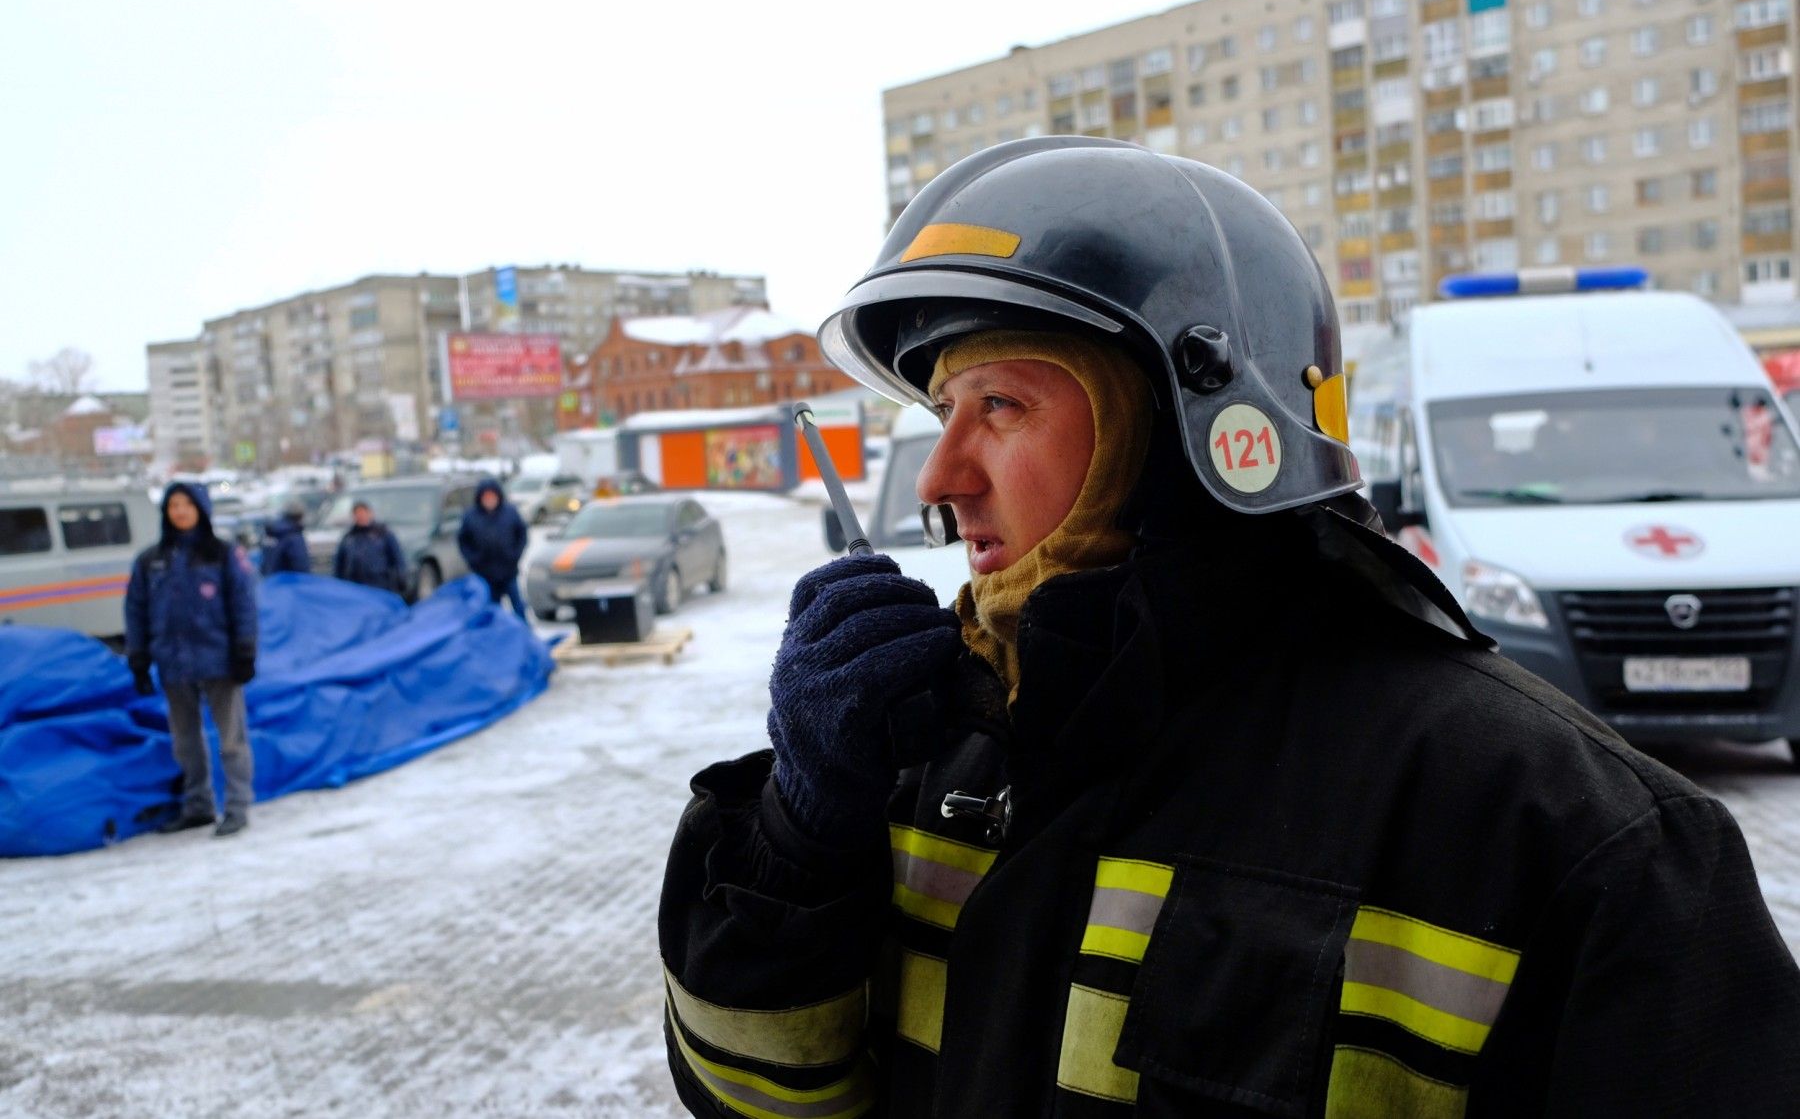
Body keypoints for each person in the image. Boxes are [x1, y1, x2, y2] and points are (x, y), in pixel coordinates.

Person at [658, 137, 1800, 1116]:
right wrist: (798, 847)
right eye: (943, 412)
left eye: (1000, 405)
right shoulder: (921, 749)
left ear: (1193, 428)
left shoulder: (1560, 832)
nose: (943, 475)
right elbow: (752, 1094)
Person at [125, 482, 258, 838]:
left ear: (201, 509)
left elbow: (243, 603)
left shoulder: (222, 554)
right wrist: (138, 656)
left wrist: (245, 650)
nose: (180, 511)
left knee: (231, 738)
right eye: (173, 506)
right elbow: (137, 609)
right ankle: (197, 806)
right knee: (185, 740)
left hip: (219, 659)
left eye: (187, 505)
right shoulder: (152, 560)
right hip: (174, 663)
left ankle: (237, 806)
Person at [457, 477, 529, 616]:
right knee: (492, 609)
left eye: (492, 496)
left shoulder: (510, 512)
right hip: (485, 573)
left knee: (518, 606)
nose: (489, 500)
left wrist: (515, 554)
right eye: (486, 497)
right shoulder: (471, 516)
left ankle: (525, 634)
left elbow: (522, 534)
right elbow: (462, 540)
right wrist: (473, 559)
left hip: (508, 570)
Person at [334, 500, 406, 595]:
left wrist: (401, 579)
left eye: (363, 513)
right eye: (358, 514)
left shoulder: (383, 534)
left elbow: (397, 558)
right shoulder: (349, 538)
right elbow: (339, 563)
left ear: (370, 513)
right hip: (355, 586)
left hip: (380, 585)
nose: (361, 516)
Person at [260, 500, 312, 576]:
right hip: (290, 585)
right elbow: (301, 565)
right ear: (300, 516)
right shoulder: (294, 536)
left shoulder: (271, 534)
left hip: (270, 583)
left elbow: (263, 563)